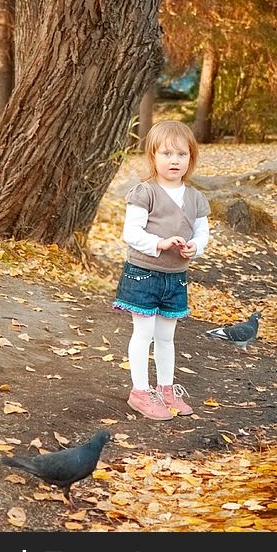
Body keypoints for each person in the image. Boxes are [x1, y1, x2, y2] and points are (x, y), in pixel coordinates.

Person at [113, 120, 210, 420]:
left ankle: (166, 389)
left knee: (167, 336)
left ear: (190, 159)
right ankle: (141, 392)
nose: (174, 160)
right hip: (143, 274)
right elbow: (131, 233)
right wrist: (161, 242)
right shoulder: (145, 193)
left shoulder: (195, 197)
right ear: (153, 156)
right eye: (167, 154)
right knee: (143, 333)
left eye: (181, 155)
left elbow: (202, 232)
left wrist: (196, 246)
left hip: (175, 278)